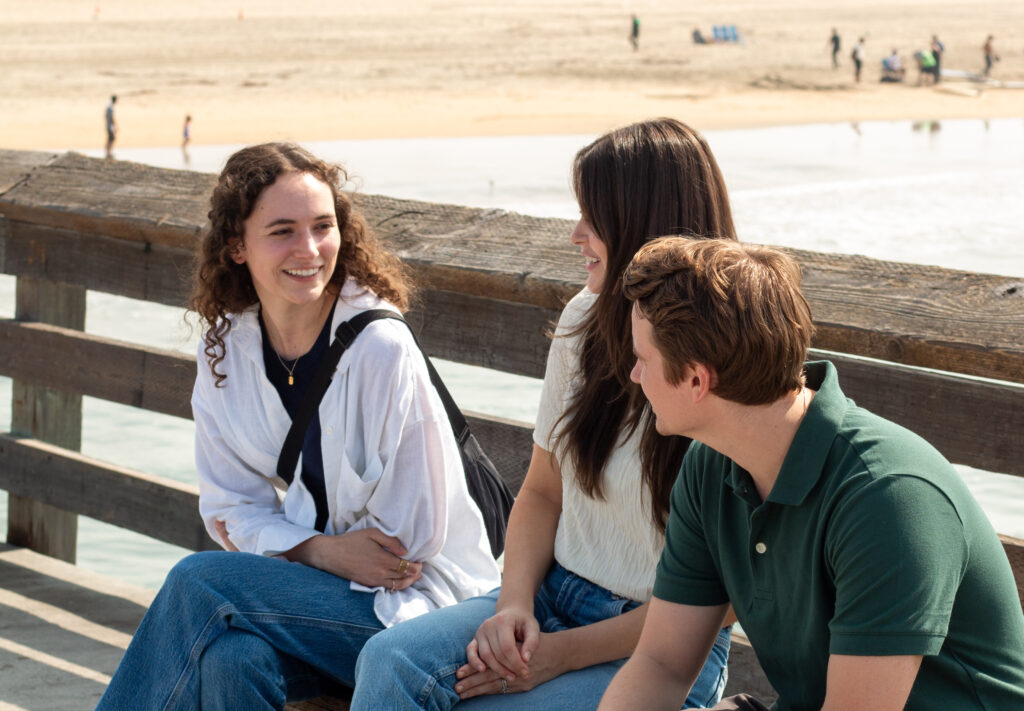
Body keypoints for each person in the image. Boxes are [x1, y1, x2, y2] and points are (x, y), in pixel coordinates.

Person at [96, 143, 501, 710]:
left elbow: (404, 553)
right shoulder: (225, 349)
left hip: (416, 612)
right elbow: (228, 507)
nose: (308, 249)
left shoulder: (381, 348)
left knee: (198, 583)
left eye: (322, 226)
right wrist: (318, 551)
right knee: (233, 660)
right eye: (282, 230)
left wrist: (303, 554)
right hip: (321, 591)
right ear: (237, 245)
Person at [350, 118, 737, 710]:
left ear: (642, 221)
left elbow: (720, 598)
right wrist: (513, 606)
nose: (577, 234)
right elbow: (541, 493)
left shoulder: (731, 357)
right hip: (552, 596)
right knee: (389, 661)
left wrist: (561, 654)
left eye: (593, 216)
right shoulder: (586, 318)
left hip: (664, 648)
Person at [598, 237, 1024, 710]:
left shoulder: (888, 498)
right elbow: (662, 664)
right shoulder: (710, 466)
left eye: (644, 359)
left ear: (697, 380)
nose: (635, 375)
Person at [104, 94, 117, 158]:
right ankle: (108, 152)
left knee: (110, 139)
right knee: (111, 139)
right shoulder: (111, 107)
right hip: (110, 126)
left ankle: (108, 152)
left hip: (108, 125)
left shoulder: (108, 107)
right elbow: (111, 117)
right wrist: (114, 125)